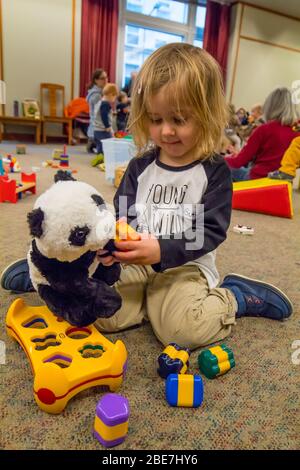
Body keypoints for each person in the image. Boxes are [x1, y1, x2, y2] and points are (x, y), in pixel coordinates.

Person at [1, 44, 292, 350]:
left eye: (179, 120)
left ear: (206, 114)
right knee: (100, 313)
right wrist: (118, 244)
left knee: (181, 332)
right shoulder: (141, 166)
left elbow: (210, 230)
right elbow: (123, 213)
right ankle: (53, 271)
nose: (166, 131)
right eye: (156, 119)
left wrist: (161, 251)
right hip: (136, 264)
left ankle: (235, 295)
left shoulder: (214, 171)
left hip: (186, 266)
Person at [225, 87, 300, 181]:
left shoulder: (264, 129)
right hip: (280, 184)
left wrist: (219, 160)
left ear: (270, 106)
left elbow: (238, 162)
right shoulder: (297, 134)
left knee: (221, 167)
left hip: (256, 179)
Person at [86, 68, 108, 153]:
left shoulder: (102, 92)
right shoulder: (96, 95)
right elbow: (99, 113)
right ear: (96, 80)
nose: (105, 80)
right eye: (102, 78)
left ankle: (94, 142)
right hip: (96, 125)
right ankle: (92, 141)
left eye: (106, 77)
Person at [93, 83, 118, 155]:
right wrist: (107, 126)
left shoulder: (100, 102)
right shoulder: (105, 104)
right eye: (114, 96)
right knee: (108, 145)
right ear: (111, 94)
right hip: (103, 130)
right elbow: (104, 116)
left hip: (96, 130)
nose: (114, 99)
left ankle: (100, 157)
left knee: (100, 146)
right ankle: (103, 159)